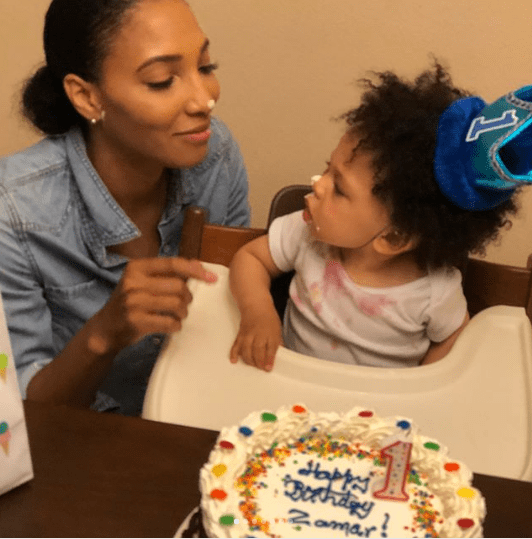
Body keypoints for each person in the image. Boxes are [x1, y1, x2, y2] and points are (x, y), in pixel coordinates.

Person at [0, 0, 250, 415]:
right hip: (83, 442)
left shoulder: (215, 155)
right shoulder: (13, 212)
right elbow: (21, 415)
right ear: (87, 97)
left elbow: (230, 317)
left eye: (206, 66)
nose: (204, 100)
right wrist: (104, 334)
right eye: (162, 80)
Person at [229, 63, 522, 372]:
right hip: (292, 387)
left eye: (338, 188)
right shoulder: (307, 232)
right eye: (327, 168)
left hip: (379, 403)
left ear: (392, 238)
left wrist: (421, 382)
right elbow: (251, 258)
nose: (318, 184)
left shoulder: (433, 292)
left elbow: (452, 338)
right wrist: (258, 312)